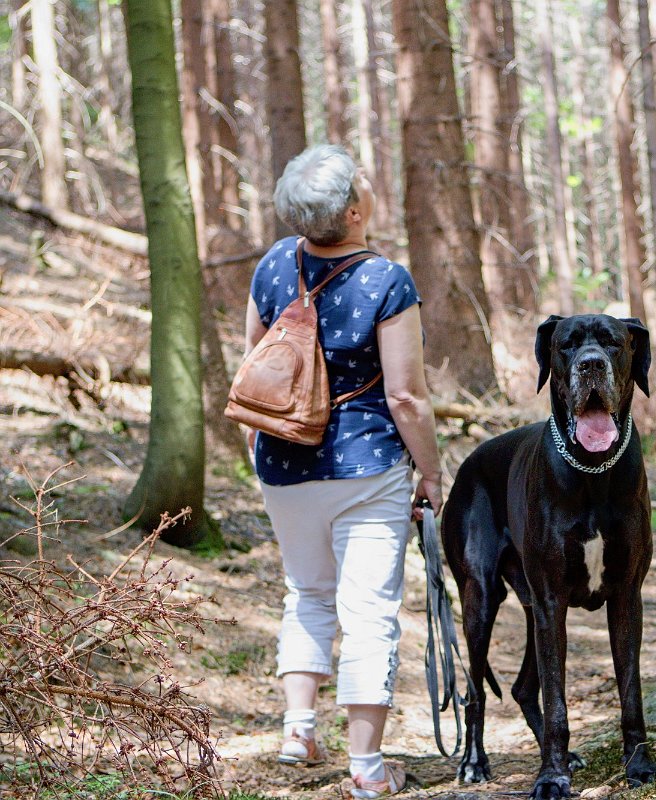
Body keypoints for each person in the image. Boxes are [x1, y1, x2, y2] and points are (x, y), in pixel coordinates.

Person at [242, 144, 442, 799]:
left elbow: (255, 366)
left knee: (306, 593)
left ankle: (298, 731)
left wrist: (259, 447)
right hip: (368, 464)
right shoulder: (388, 281)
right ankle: (367, 770)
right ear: (354, 210)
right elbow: (407, 396)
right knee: (368, 614)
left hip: (283, 462)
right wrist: (431, 471)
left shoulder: (273, 265)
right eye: (363, 182)